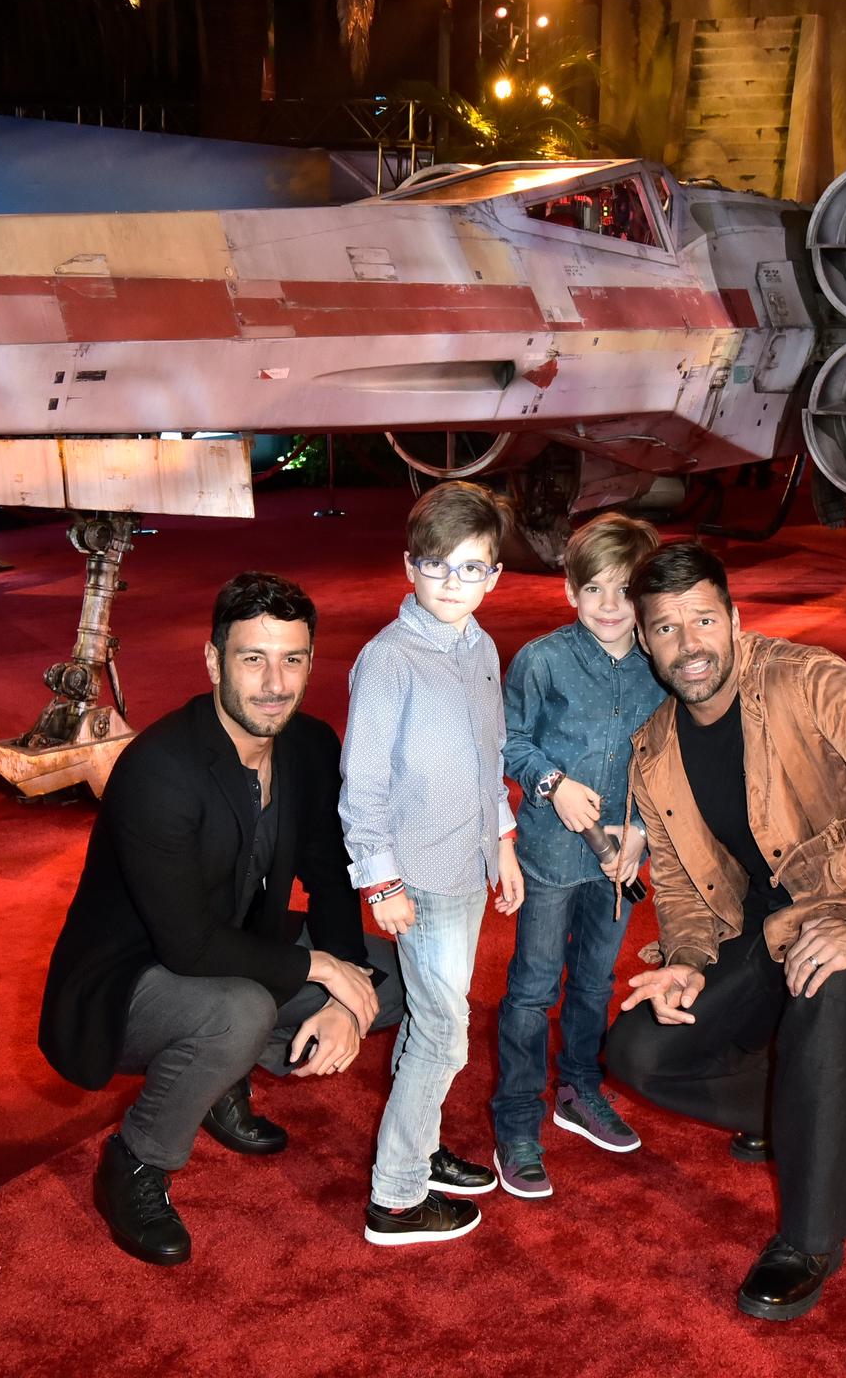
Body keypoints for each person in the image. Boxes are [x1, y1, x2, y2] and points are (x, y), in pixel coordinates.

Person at [607, 541, 846, 1322]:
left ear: (736, 619)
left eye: (704, 619)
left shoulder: (805, 680)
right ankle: (811, 1103)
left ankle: (809, 1238)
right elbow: (687, 896)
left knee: (827, 992)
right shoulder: (655, 754)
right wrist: (689, 964)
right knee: (636, 1049)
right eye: (666, 628)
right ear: (643, 640)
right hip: (766, 930)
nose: (690, 645)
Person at [37, 572, 404, 1268]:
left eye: (292, 659)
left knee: (396, 978)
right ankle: (135, 1165)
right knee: (235, 1012)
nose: (275, 682)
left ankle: (220, 1076)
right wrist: (321, 970)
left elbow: (328, 876)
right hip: (133, 976)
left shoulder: (310, 746)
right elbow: (187, 942)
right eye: (252, 658)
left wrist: (344, 993)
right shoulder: (160, 770)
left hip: (236, 946)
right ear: (213, 662)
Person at [340, 479, 524, 1246]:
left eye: (473, 568)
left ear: (496, 576)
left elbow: (489, 760)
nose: (456, 583)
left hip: (465, 865)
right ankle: (397, 1195)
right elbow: (364, 784)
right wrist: (379, 881)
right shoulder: (390, 662)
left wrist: (503, 842)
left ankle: (421, 1148)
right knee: (445, 1031)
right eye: (440, 566)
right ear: (409, 567)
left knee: (431, 1020)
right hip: (415, 877)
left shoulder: (479, 645)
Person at [489, 511, 663, 1199]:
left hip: (620, 862)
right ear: (570, 591)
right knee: (533, 988)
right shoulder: (542, 660)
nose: (611, 607)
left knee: (594, 982)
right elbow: (507, 740)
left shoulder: (658, 666)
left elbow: (667, 763)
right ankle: (517, 1119)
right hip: (548, 854)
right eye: (595, 590)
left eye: (626, 592)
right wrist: (551, 784)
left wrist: (643, 832)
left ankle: (580, 1091)